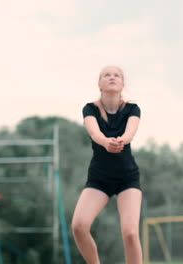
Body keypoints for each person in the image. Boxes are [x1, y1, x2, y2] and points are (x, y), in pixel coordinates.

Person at [71, 66, 143, 264]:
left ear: (122, 84)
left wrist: (121, 141)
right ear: (99, 84)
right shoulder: (90, 109)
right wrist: (106, 142)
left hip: (127, 178)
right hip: (99, 178)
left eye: (116, 75)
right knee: (79, 225)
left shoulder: (132, 109)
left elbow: (130, 133)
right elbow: (94, 133)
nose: (112, 78)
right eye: (106, 75)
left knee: (129, 233)